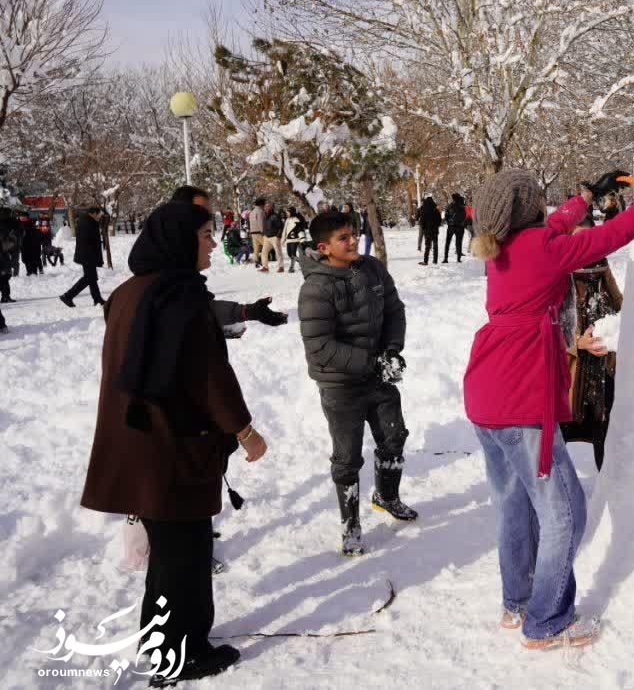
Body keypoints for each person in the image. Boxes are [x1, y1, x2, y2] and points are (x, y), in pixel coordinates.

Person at [463, 162, 634, 649]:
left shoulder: (501, 244)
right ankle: (547, 621)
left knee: (514, 504)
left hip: (486, 392)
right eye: (538, 197)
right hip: (520, 397)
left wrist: (586, 197)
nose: (546, 204)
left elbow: (554, 226)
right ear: (528, 207)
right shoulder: (543, 249)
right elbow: (613, 235)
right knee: (565, 512)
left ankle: (517, 602)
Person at [80, 202, 269, 686]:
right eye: (205, 234)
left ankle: (160, 641)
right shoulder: (180, 297)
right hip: (173, 445)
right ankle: (182, 655)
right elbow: (208, 377)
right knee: (185, 554)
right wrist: (244, 431)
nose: (213, 242)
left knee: (168, 552)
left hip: (135, 440)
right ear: (179, 240)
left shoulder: (128, 293)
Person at [298, 211, 414, 557]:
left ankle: (387, 496)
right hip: (340, 385)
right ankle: (350, 526)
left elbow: (394, 310)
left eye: (353, 234)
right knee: (347, 458)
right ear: (324, 247)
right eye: (343, 238)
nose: (353, 242)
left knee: (394, 436)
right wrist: (371, 362)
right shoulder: (315, 288)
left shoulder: (372, 268)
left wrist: (391, 350)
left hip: (377, 374)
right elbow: (320, 346)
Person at [170, 187, 289, 335]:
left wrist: (247, 312)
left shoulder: (182, 280)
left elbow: (203, 309)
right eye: (206, 234)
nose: (214, 244)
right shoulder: (160, 290)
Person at [558, 210, 624, 470]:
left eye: (588, 238)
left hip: (602, 370)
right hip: (569, 371)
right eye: (577, 238)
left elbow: (620, 308)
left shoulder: (601, 268)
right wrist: (577, 343)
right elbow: (548, 325)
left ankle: (609, 488)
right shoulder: (559, 272)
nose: (583, 245)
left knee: (604, 434)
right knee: (558, 437)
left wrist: (615, 332)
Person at [61, 206, 107, 308]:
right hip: (88, 255)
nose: (99, 216)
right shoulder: (89, 222)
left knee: (92, 278)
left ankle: (97, 299)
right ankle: (68, 296)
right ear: (94, 213)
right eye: (99, 214)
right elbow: (91, 240)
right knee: (89, 278)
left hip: (86, 254)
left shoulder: (84, 220)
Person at [417, 196, 442, 265]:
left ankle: (425, 261)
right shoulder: (436, 209)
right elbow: (439, 220)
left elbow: (422, 221)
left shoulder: (424, 209)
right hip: (435, 230)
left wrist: (424, 228)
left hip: (427, 231)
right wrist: (436, 226)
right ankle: (435, 260)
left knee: (427, 246)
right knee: (435, 245)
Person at [443, 193, 467, 263]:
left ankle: (445, 259)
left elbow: (446, 216)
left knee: (447, 242)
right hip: (460, 227)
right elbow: (464, 216)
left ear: (453, 198)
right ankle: (458, 259)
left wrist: (449, 223)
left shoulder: (450, 206)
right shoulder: (462, 206)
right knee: (459, 243)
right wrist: (462, 224)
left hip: (451, 227)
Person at [261, 203, 285, 273]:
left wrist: (278, 236)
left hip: (274, 237)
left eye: (268, 207)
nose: (266, 208)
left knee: (278, 252)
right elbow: (264, 226)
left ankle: (281, 267)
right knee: (264, 252)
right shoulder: (265, 216)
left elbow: (280, 227)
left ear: (271, 208)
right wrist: (264, 234)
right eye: (265, 207)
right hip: (266, 237)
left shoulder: (275, 216)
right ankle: (265, 267)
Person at [283, 207, 308, 273]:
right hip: (288, 239)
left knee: (293, 254)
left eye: (288, 212)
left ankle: (291, 268)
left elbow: (301, 229)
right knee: (289, 254)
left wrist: (302, 238)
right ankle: (303, 263)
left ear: (291, 212)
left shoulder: (297, 218)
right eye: (287, 212)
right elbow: (285, 230)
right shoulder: (287, 219)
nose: (287, 213)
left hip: (295, 239)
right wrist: (283, 239)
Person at [248, 198, 266, 269]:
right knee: (267, 246)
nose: (264, 206)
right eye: (264, 204)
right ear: (261, 204)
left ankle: (256, 261)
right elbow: (260, 222)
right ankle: (263, 260)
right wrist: (263, 231)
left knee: (256, 249)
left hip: (253, 232)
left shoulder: (252, 212)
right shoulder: (260, 211)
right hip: (259, 232)